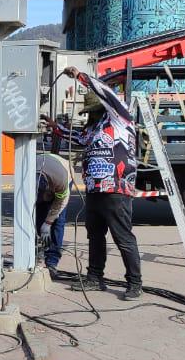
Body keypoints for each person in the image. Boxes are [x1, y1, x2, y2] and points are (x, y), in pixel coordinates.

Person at [44, 67, 144, 300]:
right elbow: (80, 139)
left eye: (93, 110)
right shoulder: (95, 128)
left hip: (116, 188)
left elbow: (105, 92)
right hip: (95, 189)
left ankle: (135, 283)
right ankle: (94, 277)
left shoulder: (120, 117)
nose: (90, 114)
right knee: (95, 234)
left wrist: (80, 76)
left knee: (122, 236)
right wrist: (56, 128)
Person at [35, 152, 73, 272]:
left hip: (64, 170)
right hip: (42, 165)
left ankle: (52, 260)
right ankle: (42, 248)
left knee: (58, 221)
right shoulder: (26, 171)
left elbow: (60, 203)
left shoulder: (61, 179)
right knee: (39, 217)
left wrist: (48, 223)